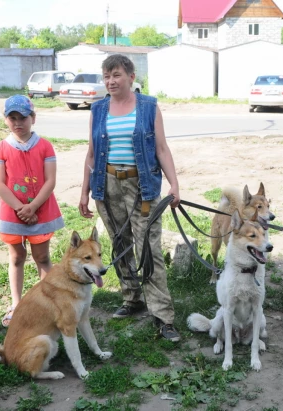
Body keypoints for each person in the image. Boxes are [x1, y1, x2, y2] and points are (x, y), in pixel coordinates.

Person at [78, 54, 182, 342]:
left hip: (142, 186)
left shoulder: (148, 107)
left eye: (116, 75)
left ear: (131, 77)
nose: (111, 81)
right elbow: (91, 152)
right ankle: (132, 298)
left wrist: (174, 184)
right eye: (106, 76)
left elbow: (161, 148)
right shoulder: (98, 109)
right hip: (106, 183)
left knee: (149, 249)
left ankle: (163, 316)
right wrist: (85, 191)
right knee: (119, 244)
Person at [0, 95, 65, 327]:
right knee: (16, 257)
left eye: (23, 117)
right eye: (12, 118)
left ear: (33, 118)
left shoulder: (45, 146)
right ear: (5, 120)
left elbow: (50, 180)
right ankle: (16, 304)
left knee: (42, 257)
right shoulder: (1, 148)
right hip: (12, 213)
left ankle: (47, 302)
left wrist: (33, 207)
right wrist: (20, 208)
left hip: (41, 211)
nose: (17, 122)